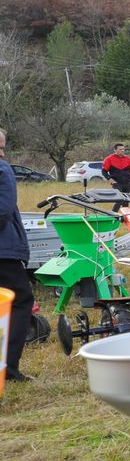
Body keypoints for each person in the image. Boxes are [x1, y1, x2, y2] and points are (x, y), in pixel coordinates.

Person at [0, 129, 35, 382]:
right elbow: (3, 209)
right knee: (20, 300)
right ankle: (8, 368)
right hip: (4, 251)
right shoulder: (3, 169)